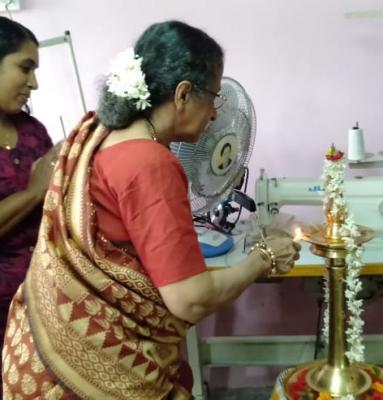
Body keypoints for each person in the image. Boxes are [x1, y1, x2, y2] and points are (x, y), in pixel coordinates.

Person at [2, 20, 300, 399]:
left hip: (37, 357)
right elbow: (189, 298)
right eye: (214, 97)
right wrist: (264, 257)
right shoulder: (150, 163)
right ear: (183, 94)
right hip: (89, 374)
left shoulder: (99, 133)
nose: (214, 114)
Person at [0, 16, 61, 398]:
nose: (33, 83)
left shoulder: (33, 131)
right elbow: (42, 191)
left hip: (43, 297)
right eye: (25, 68)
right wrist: (36, 192)